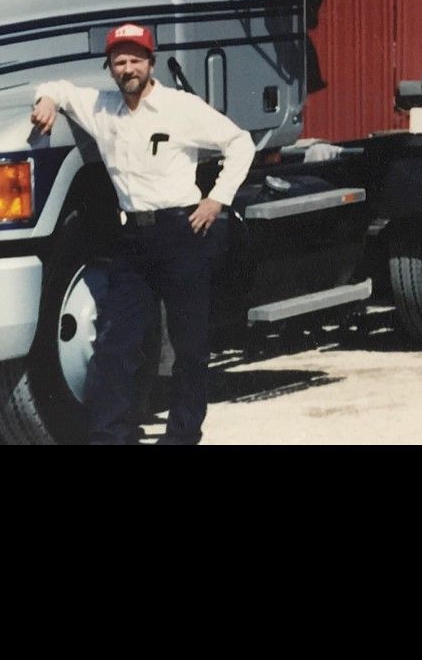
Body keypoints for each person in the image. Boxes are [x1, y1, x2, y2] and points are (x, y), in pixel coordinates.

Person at [30, 23, 255, 446]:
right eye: (119, 61)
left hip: (182, 234)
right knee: (117, 345)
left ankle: (182, 437)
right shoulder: (103, 108)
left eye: (136, 59)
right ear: (110, 68)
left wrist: (216, 199)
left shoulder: (180, 107)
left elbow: (240, 143)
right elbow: (57, 87)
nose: (127, 67)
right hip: (131, 240)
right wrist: (45, 101)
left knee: (190, 349)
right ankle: (110, 437)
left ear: (151, 63)